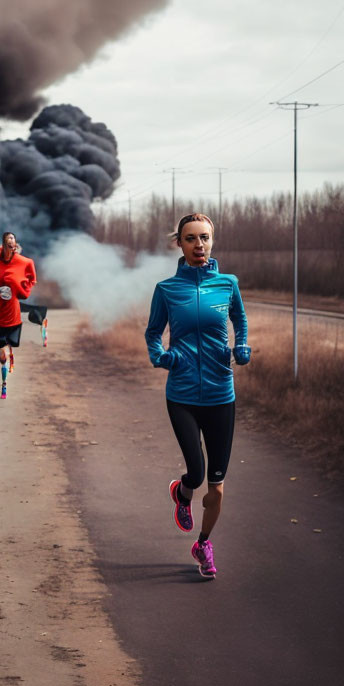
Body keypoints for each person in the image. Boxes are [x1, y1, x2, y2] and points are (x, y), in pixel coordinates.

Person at [145, 213, 250, 579]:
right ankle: (183, 490)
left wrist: (242, 346)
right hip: (183, 395)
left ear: (212, 241)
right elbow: (153, 332)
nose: (199, 245)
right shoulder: (167, 289)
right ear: (180, 244)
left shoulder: (227, 284)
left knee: (217, 488)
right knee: (197, 471)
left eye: (204, 238)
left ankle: (203, 543)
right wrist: (161, 357)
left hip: (222, 394)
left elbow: (240, 319)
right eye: (191, 239)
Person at [0, 232, 37, 399]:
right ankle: (4, 383)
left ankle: (7, 355)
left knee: (8, 346)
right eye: (8, 240)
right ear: (3, 245)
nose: (11, 243)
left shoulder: (25, 262)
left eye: (13, 239)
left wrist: (22, 290)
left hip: (13, 316)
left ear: (16, 244)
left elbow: (31, 280)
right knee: (3, 351)